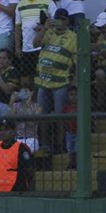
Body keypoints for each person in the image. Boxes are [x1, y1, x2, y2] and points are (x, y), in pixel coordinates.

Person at [34, 8, 77, 150]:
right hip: (43, 81)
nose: (60, 22)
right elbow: (35, 43)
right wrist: (44, 29)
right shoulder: (49, 32)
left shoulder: (73, 37)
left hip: (60, 82)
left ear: (68, 21)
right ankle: (44, 143)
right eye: (58, 18)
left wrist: (74, 81)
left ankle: (61, 144)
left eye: (63, 19)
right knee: (42, 115)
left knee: (60, 116)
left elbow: (77, 62)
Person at [15, 0, 57, 86]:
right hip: (26, 48)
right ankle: (30, 102)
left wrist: (44, 28)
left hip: (44, 47)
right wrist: (18, 48)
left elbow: (57, 23)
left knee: (42, 76)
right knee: (26, 80)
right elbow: (18, 27)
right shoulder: (20, 4)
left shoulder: (48, 2)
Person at [0, 119, 33, 192]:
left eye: (6, 130)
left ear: (13, 132)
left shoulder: (21, 148)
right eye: (0, 130)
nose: (2, 133)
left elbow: (29, 169)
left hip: (16, 188)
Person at [61, 86, 78, 169]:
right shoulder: (66, 108)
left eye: (75, 94)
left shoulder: (81, 106)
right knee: (70, 149)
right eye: (71, 95)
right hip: (69, 132)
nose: (74, 96)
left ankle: (77, 163)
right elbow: (64, 120)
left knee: (76, 148)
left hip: (79, 132)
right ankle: (71, 163)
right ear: (67, 97)